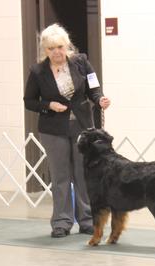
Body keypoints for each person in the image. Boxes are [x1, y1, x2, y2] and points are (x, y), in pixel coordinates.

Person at [24, 23, 111, 238]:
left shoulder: (81, 62)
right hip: (53, 130)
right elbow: (29, 101)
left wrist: (100, 99)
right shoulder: (37, 72)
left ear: (67, 46)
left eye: (60, 47)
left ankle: (87, 220)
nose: (57, 52)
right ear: (45, 50)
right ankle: (62, 222)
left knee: (84, 175)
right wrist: (49, 105)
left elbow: (93, 87)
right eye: (51, 48)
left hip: (82, 128)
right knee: (60, 176)